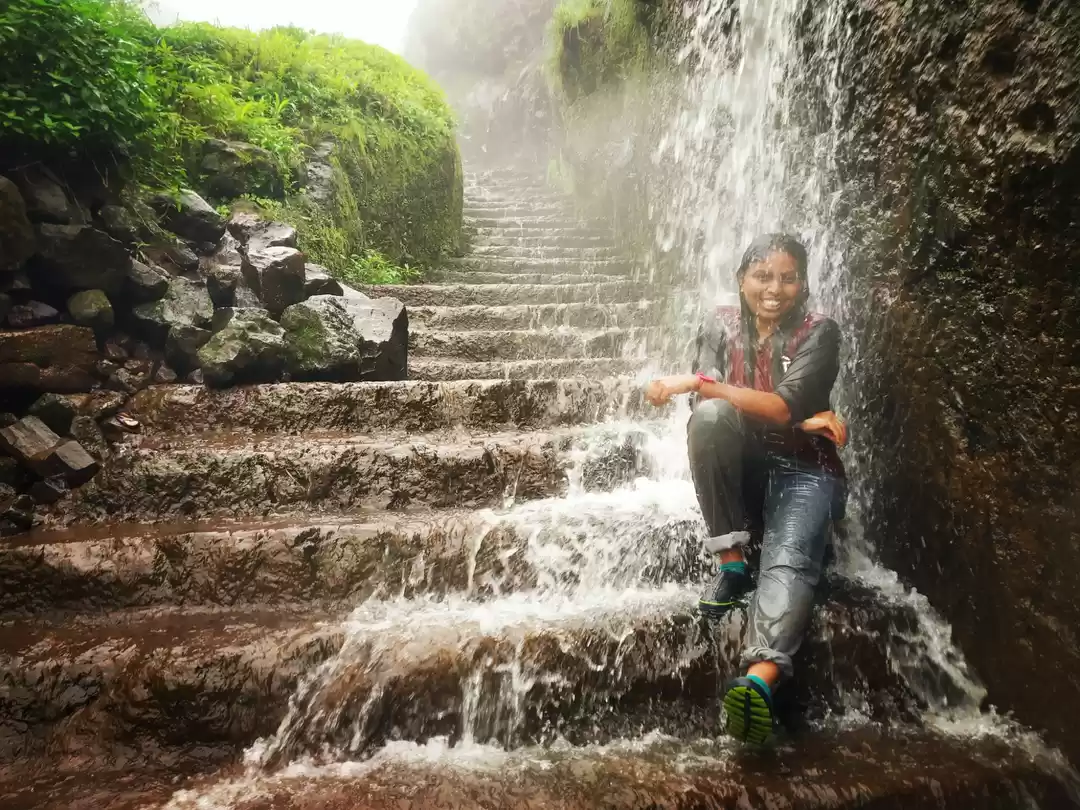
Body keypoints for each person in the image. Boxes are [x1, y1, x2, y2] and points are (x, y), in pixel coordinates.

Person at [644, 233, 847, 746]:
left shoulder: (820, 331)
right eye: (762, 276)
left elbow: (778, 405)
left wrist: (696, 383)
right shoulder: (720, 323)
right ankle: (731, 563)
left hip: (807, 471)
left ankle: (758, 682)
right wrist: (800, 422)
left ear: (802, 283)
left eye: (787, 277)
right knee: (710, 419)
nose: (773, 288)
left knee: (789, 560)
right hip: (751, 467)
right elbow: (712, 416)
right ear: (741, 280)